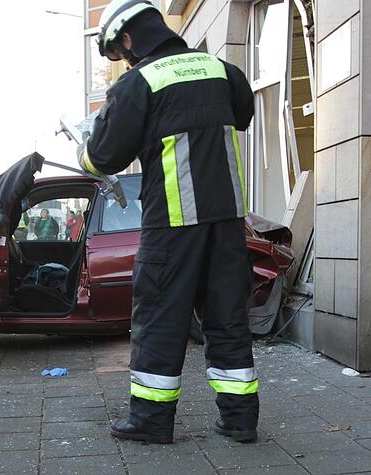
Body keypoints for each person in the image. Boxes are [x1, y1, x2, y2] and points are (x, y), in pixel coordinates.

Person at [79, 0, 258, 445]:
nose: (123, 62)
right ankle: (239, 420)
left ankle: (151, 421)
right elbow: (244, 116)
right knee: (227, 317)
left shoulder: (137, 84)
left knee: (160, 317)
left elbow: (102, 157)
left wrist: (87, 139)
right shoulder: (223, 70)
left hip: (173, 225)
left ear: (127, 39)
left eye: (119, 54)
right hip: (228, 221)